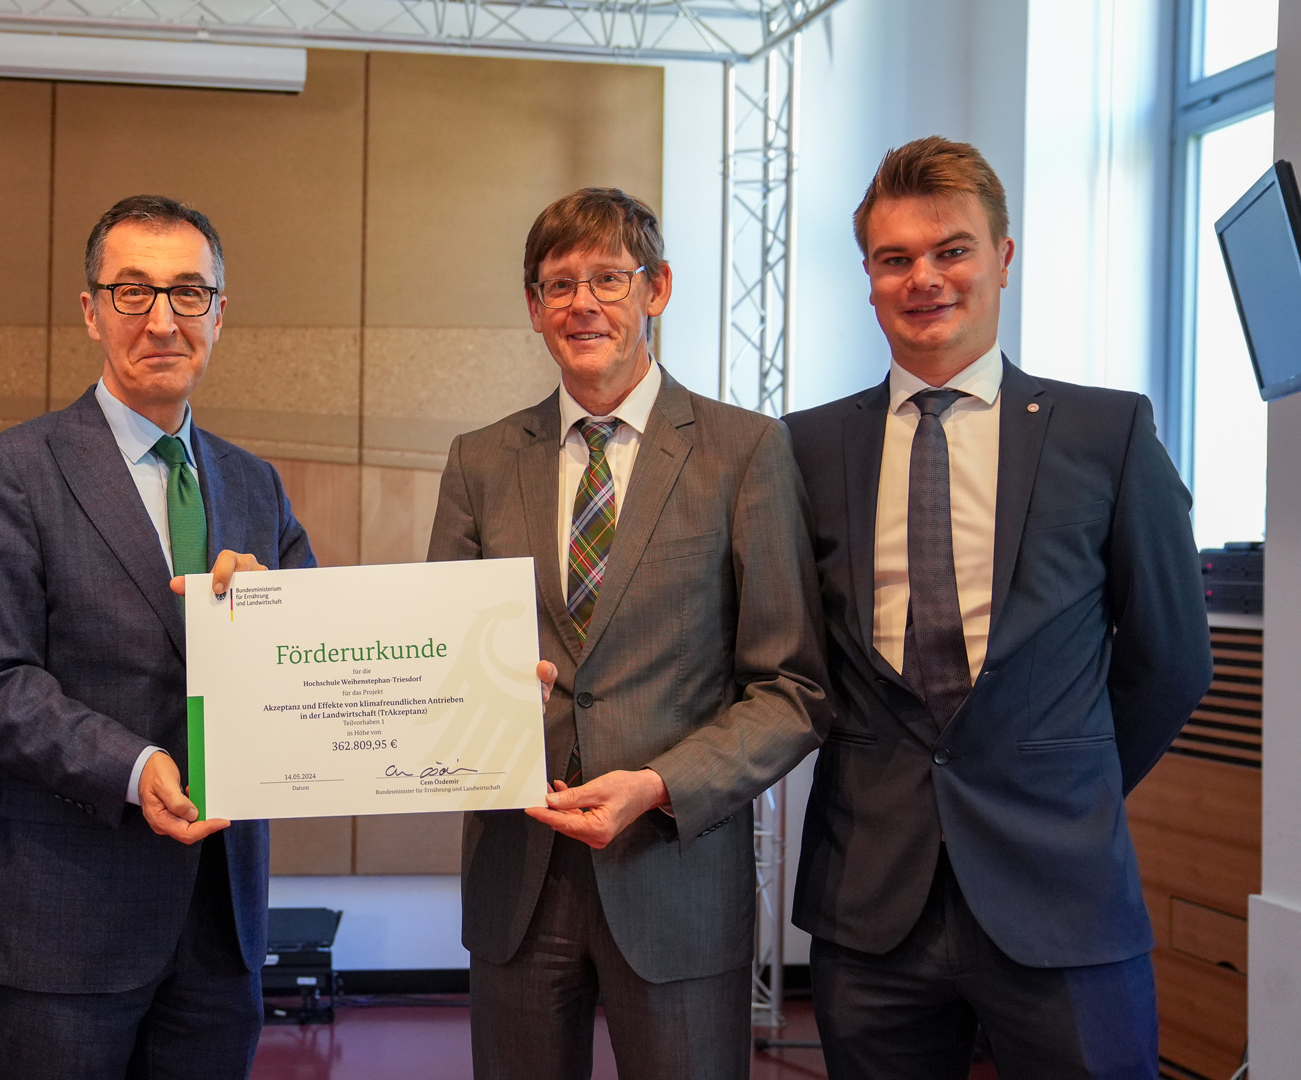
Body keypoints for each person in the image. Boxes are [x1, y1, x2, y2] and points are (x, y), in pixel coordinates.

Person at [783, 136, 1212, 1078]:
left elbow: (1171, 661)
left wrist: (1065, 776)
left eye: (952, 250)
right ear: (868, 279)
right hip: (871, 904)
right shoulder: (805, 450)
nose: (924, 278)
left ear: (1003, 257)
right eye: (895, 259)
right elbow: (793, 662)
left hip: (1061, 892)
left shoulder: (1108, 432)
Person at [428, 187, 828, 1080]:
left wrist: (656, 786)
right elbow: (438, 660)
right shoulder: (480, 462)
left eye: (608, 277)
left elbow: (791, 689)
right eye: (559, 283)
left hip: (673, 872)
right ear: (533, 308)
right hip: (516, 878)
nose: (584, 303)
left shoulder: (745, 452)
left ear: (657, 288)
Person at [0, 195, 314, 1080]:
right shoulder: (14, 471)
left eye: (189, 294)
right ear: (91, 310)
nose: (163, 320)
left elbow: (312, 666)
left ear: (219, 314)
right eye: (133, 292)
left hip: (222, 925)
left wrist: (280, 626)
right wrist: (133, 766)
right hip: (65, 925)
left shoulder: (255, 485)